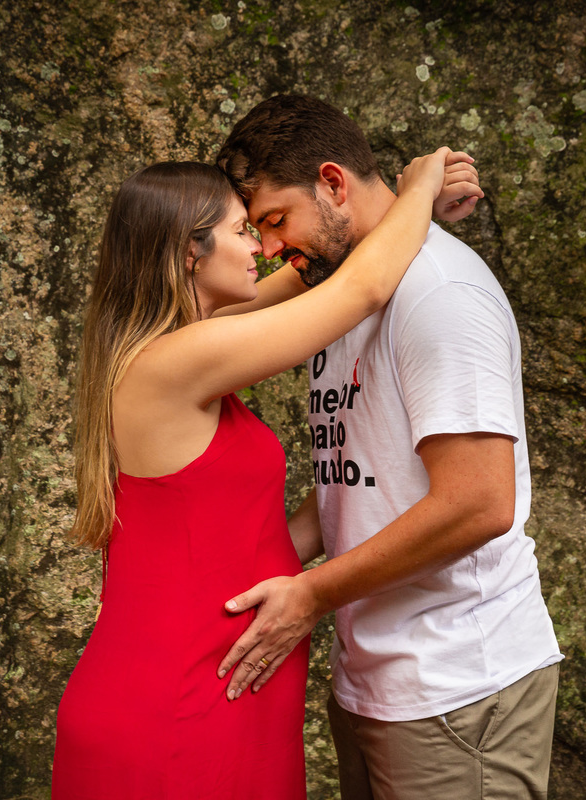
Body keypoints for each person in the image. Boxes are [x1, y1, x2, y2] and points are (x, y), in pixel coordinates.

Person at [51, 147, 480, 799]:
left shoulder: (188, 345)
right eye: (241, 229)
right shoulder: (178, 360)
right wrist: (414, 191)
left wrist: (398, 219)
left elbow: (319, 270)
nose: (263, 246)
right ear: (189, 250)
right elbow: (359, 289)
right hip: (178, 703)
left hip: (221, 687)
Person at [212, 94, 563, 800]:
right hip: (375, 680)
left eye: (277, 220)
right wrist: (259, 567)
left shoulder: (439, 294)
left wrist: (307, 595)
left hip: (459, 687)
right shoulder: (345, 285)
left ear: (334, 183)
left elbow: (479, 504)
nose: (270, 249)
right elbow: (358, 470)